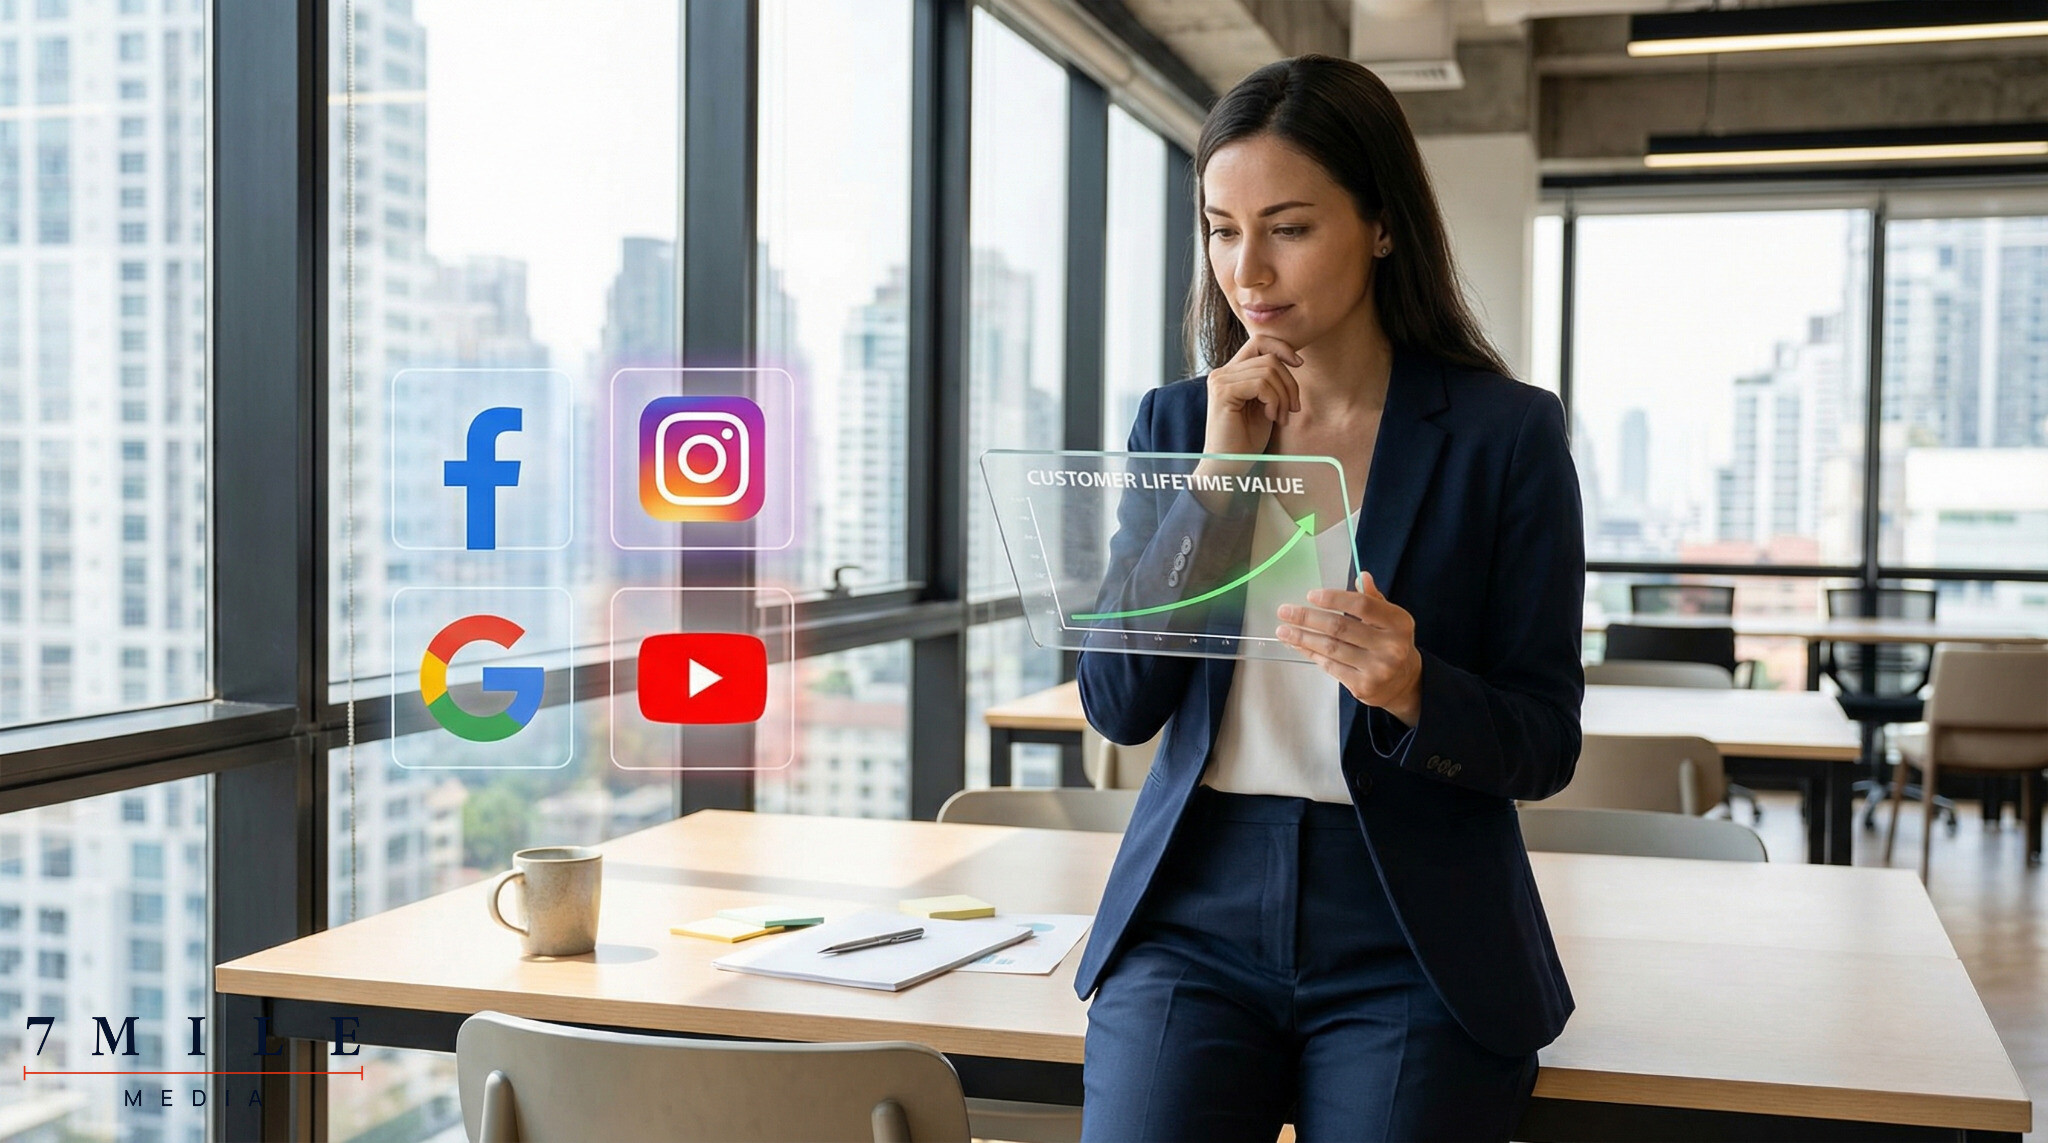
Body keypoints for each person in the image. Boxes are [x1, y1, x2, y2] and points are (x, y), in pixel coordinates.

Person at [1074, 54, 1585, 1142]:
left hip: (1410, 920)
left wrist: (1412, 689)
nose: (1245, 270)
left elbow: (1542, 742)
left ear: (1383, 225)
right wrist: (1215, 485)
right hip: (1190, 908)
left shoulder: (1505, 437)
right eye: (1219, 229)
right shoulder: (1176, 424)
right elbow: (1117, 703)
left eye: (1288, 227)